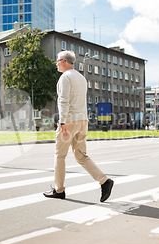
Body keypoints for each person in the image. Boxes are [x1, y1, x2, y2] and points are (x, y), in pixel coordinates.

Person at [43, 50, 114, 202]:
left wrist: (62, 122)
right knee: (81, 156)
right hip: (83, 121)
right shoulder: (81, 78)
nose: (56, 63)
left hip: (69, 121)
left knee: (60, 155)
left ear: (63, 61)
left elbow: (63, 100)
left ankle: (59, 190)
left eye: (57, 60)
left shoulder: (65, 77)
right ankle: (104, 181)